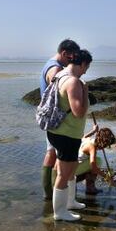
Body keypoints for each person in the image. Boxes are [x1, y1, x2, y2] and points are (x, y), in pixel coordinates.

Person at [47, 49, 92, 221]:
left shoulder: (60, 76)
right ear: (82, 64)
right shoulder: (73, 82)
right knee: (64, 174)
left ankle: (70, 202)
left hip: (60, 132)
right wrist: (86, 91)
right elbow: (78, 112)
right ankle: (60, 212)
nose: (87, 70)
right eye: (87, 66)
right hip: (66, 135)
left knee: (71, 170)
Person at [40, 39, 80, 201]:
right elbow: (56, 84)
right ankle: (53, 194)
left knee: (52, 153)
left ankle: (50, 194)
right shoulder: (55, 67)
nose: (72, 61)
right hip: (56, 119)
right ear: (64, 53)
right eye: (71, 58)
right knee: (53, 154)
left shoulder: (51, 63)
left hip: (50, 118)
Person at [76, 126, 116, 194]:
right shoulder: (92, 148)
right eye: (105, 145)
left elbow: (84, 136)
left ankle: (88, 183)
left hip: (72, 166)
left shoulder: (88, 139)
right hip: (74, 172)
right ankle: (90, 188)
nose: (105, 147)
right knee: (98, 161)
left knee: (96, 161)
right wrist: (107, 177)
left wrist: (93, 131)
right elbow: (93, 167)